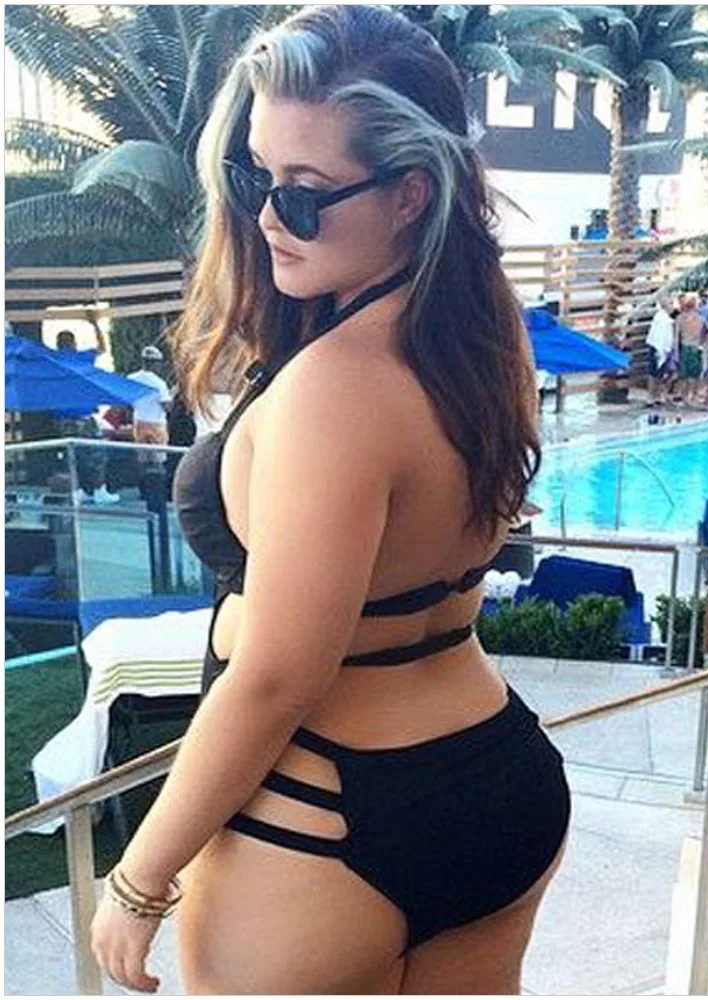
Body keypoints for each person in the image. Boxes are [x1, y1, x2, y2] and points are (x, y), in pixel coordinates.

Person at [90, 7, 570, 995]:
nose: (268, 218)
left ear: (409, 194)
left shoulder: (334, 389)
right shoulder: (483, 337)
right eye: (253, 179)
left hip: (326, 818)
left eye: (305, 195)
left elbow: (277, 674)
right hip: (497, 777)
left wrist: (139, 879)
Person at [55, 314, 120, 505]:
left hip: (62, 419)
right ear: (73, 343)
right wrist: (95, 325)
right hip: (83, 416)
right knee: (97, 455)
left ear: (58, 345)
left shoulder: (54, 362)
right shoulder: (81, 359)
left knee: (71, 457)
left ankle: (78, 492)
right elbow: (103, 348)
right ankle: (99, 491)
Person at [127, 345, 172, 466]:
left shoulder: (131, 378)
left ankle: (143, 478)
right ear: (155, 363)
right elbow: (167, 407)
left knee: (142, 459)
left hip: (139, 422)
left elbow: (127, 403)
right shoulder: (159, 383)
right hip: (157, 424)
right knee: (158, 460)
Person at [673, 292, 704, 407]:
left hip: (685, 346)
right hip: (696, 347)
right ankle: (693, 396)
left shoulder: (680, 319)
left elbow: (676, 337)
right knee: (695, 375)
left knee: (684, 375)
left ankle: (684, 396)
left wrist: (676, 352)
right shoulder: (700, 319)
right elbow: (704, 335)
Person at [645, 293, 674, 406]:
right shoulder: (661, 319)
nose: (672, 306)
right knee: (653, 373)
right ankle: (651, 396)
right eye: (670, 303)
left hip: (662, 348)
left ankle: (657, 395)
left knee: (660, 374)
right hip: (657, 347)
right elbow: (659, 336)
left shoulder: (665, 318)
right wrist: (659, 350)